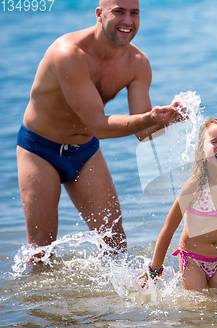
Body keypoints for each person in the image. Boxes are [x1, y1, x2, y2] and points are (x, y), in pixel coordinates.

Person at [16, 0, 185, 259]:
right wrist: (151, 117)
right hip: (40, 149)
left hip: (84, 150)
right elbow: (100, 126)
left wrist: (167, 120)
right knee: (40, 251)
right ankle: (35, 299)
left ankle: (111, 300)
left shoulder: (137, 63)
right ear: (99, 14)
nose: (128, 21)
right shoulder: (69, 53)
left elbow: (143, 133)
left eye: (134, 13)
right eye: (119, 12)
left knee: (115, 243)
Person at [141, 118, 217, 290]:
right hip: (192, 259)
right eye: (213, 142)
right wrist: (154, 269)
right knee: (198, 307)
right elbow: (169, 229)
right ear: (202, 149)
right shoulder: (194, 186)